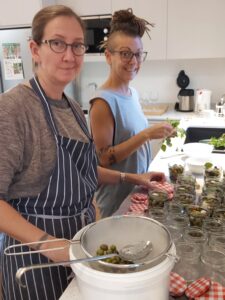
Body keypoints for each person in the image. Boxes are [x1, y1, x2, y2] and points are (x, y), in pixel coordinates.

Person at [0, 5, 166, 300]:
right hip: (36, 258)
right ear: (35, 49)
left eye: (77, 45)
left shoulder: (73, 108)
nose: (70, 54)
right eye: (58, 43)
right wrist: (51, 246)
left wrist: (134, 177)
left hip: (80, 245)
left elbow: (85, 170)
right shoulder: (13, 109)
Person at [89, 9, 175, 218]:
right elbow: (104, 159)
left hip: (136, 193)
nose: (134, 61)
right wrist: (146, 135)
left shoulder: (132, 93)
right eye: (126, 53)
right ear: (109, 56)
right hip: (114, 203)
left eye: (138, 54)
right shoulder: (102, 102)